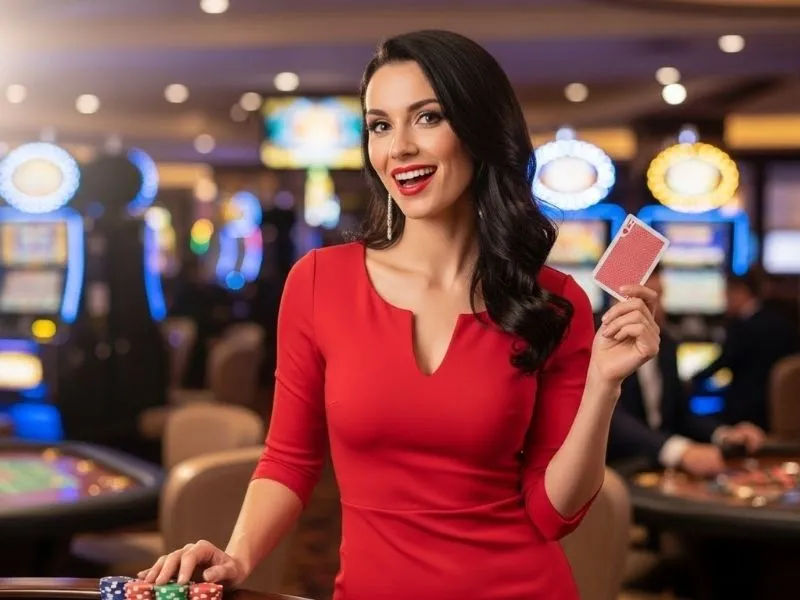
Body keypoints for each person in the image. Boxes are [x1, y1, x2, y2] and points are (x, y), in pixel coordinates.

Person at [141, 30, 660, 600]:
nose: (399, 148)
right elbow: (289, 459)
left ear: (480, 128)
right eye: (380, 125)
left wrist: (604, 386)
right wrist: (237, 557)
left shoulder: (554, 300)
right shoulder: (319, 281)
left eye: (428, 118)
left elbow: (553, 512)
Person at [607, 266, 765, 477]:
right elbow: (612, 419)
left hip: (656, 468)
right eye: (645, 300)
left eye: (660, 297)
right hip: (612, 471)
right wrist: (679, 450)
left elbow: (680, 414)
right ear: (617, 301)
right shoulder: (599, 346)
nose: (658, 308)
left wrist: (724, 434)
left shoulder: (667, 344)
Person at [691, 270, 798, 430]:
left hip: (747, 410)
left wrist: (692, 381)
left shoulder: (744, 326)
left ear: (741, 292)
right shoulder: (782, 321)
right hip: (783, 408)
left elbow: (724, 361)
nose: (725, 301)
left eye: (727, 294)